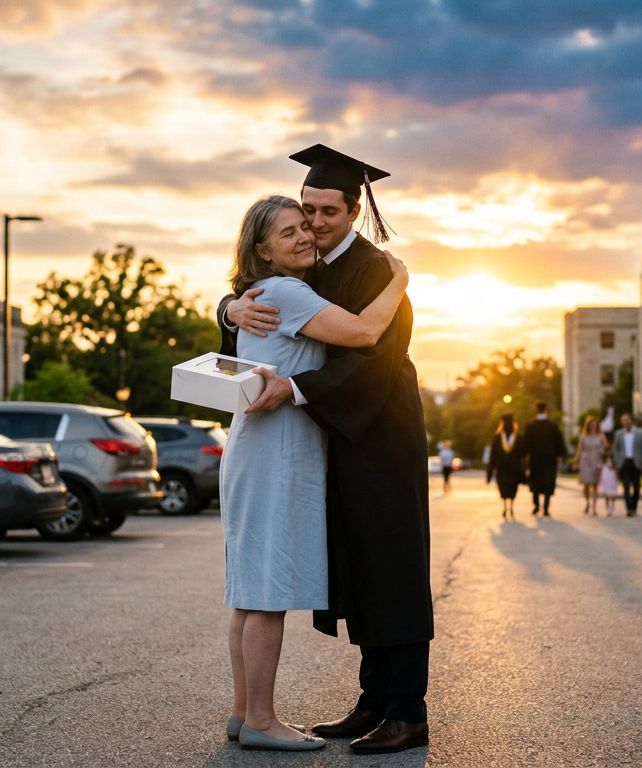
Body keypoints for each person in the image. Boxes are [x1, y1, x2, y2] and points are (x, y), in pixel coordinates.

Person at [220, 145, 432, 755]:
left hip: (380, 436)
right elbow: (261, 306)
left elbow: (376, 358)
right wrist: (228, 306)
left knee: (392, 571)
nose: (313, 223)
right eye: (306, 211)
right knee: (361, 573)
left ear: (356, 209)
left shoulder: (372, 268)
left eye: (326, 212)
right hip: (333, 435)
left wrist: (297, 386)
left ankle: (406, 709)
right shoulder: (311, 267)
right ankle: (372, 701)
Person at [522, 401, 567, 517]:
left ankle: (537, 506)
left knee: (535, 483)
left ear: (536, 410)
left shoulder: (530, 426)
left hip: (535, 459)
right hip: (549, 460)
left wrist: (525, 456)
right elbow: (559, 442)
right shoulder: (552, 426)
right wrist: (560, 456)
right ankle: (546, 507)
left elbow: (525, 444)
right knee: (548, 482)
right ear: (546, 409)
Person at [610, 413, 642, 517]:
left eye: (626, 420)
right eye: (623, 421)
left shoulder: (640, 433)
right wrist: (616, 461)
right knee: (626, 486)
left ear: (630, 420)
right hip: (624, 463)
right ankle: (629, 509)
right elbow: (616, 449)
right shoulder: (619, 434)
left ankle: (634, 507)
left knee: (637, 487)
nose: (625, 422)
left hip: (636, 462)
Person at [485, 414, 522, 519]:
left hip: (502, 468)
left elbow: (492, 456)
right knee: (511, 488)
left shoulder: (498, 437)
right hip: (513, 468)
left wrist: (490, 470)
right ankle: (509, 507)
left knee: (504, 487)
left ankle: (507, 506)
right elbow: (522, 453)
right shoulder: (517, 437)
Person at [571, 416, 607, 515]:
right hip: (585, 460)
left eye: (594, 425)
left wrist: (604, 453)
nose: (593, 426)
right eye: (591, 425)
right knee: (586, 484)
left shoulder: (601, 436)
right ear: (588, 426)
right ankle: (587, 503)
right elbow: (579, 450)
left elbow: (606, 448)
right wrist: (575, 462)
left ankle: (594, 507)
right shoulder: (583, 436)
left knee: (595, 484)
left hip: (597, 460)